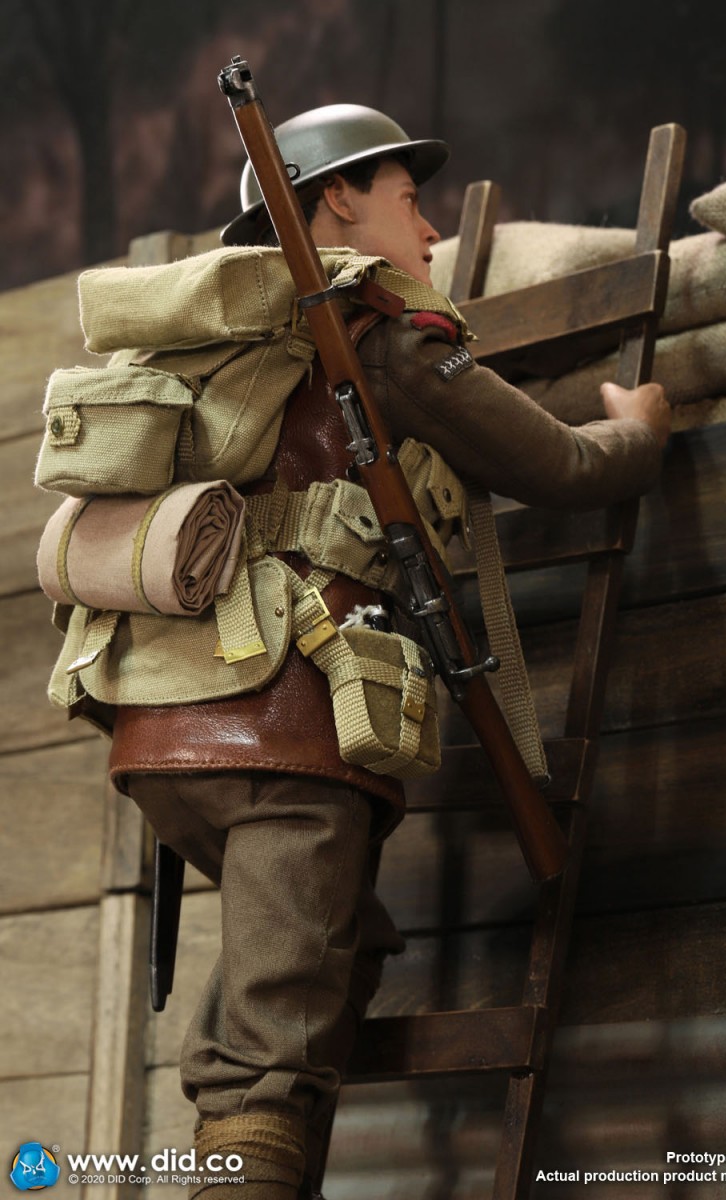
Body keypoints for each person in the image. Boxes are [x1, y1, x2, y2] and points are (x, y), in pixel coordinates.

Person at [52, 105, 670, 1200]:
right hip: (289, 733)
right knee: (265, 1058)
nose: (429, 232)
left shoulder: (207, 342)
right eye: (409, 200)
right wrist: (640, 430)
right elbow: (562, 466)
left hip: (158, 740)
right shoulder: (376, 330)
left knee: (341, 952)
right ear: (336, 198)